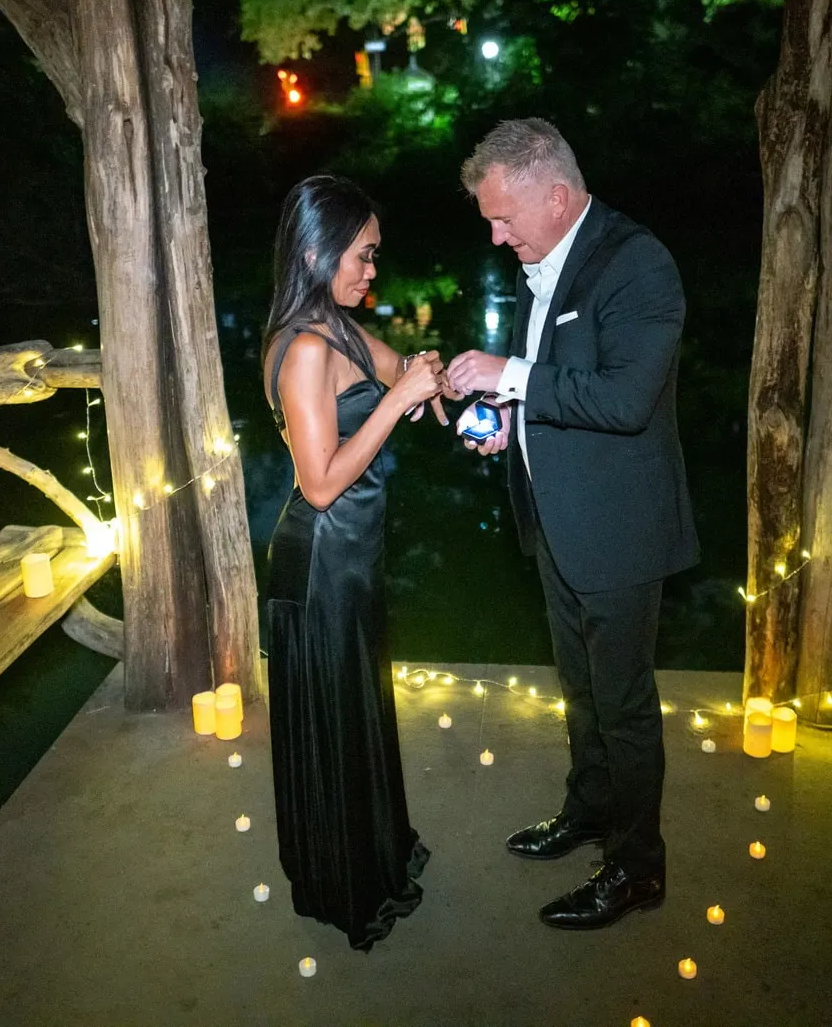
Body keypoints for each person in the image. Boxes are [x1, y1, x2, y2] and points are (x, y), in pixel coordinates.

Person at [446, 118, 698, 930]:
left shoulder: (638, 264)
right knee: (581, 691)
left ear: (556, 197)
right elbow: (561, 388)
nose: (495, 235)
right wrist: (506, 421)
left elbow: (626, 402)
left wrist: (509, 372)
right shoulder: (541, 260)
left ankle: (636, 868)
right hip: (556, 522)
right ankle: (587, 811)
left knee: (621, 702)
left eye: (503, 217)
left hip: (618, 529)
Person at [261, 174, 451, 950]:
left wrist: (429, 380)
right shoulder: (305, 349)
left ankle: (369, 849)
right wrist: (396, 398)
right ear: (318, 250)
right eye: (364, 256)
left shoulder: (337, 326)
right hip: (321, 564)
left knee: (357, 712)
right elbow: (321, 479)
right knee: (335, 722)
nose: (374, 270)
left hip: (355, 558)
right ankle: (344, 881)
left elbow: (399, 366)